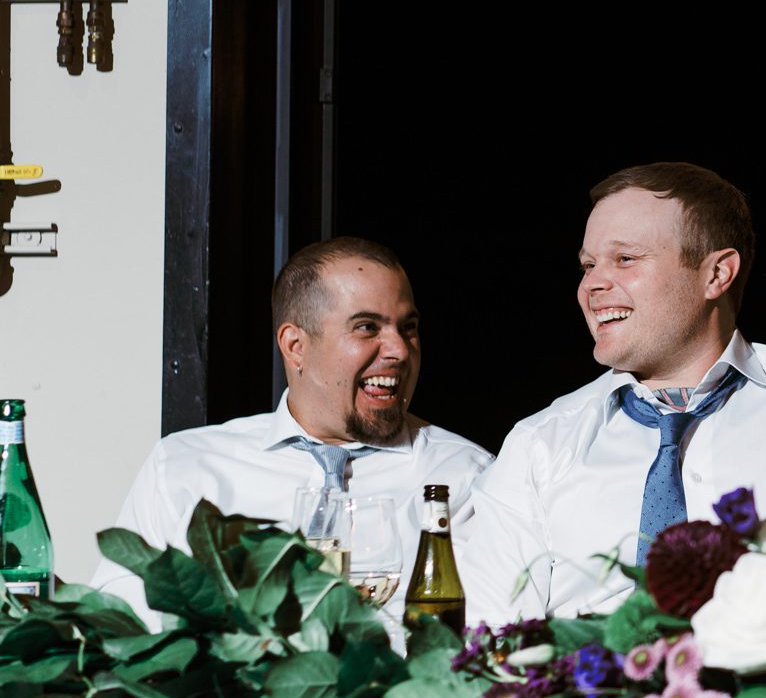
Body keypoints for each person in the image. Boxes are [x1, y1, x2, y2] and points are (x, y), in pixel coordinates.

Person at [460, 163, 766, 622]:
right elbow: (488, 638)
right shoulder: (538, 446)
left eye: (625, 259)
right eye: (588, 265)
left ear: (717, 275)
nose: (592, 284)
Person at [91, 238, 492, 627]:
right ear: (295, 345)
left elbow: (480, 634)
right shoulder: (183, 464)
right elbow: (120, 625)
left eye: (409, 327)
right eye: (368, 327)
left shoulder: (466, 477)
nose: (400, 350)